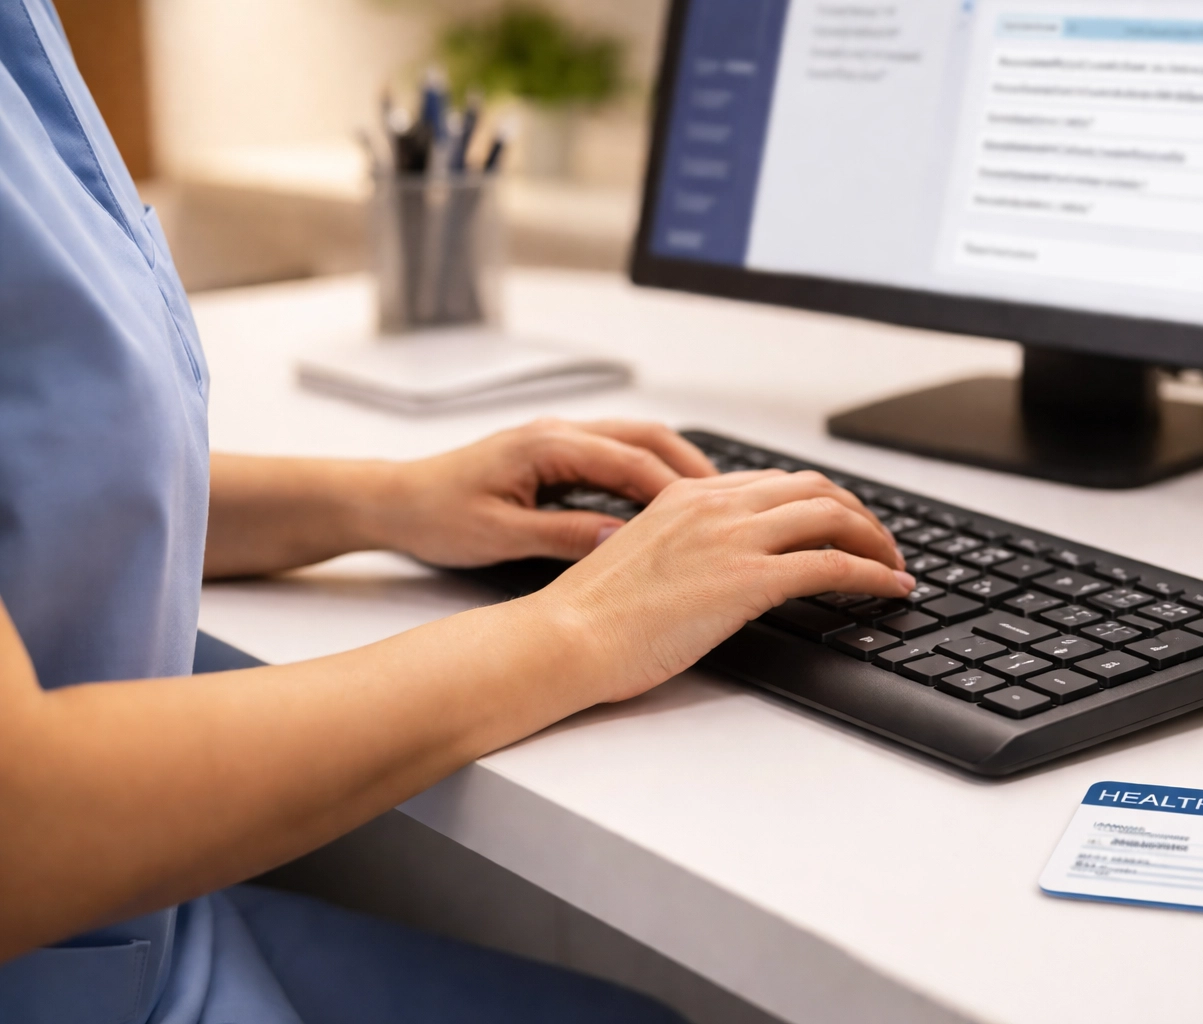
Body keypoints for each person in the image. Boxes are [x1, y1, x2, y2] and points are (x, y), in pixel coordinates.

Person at [0, 1, 915, 1021]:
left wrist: (384, 499)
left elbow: (42, 477)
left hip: (137, 942)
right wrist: (582, 626)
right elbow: (20, 818)